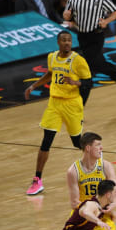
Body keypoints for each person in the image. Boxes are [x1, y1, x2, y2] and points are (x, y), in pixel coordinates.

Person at [23, 30, 92, 195]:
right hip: (54, 103)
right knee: (46, 140)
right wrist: (34, 86)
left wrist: (76, 82)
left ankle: (96, 163)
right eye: (64, 40)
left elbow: (89, 82)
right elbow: (50, 74)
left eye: (69, 40)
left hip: (72, 104)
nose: (67, 43)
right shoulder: (52, 57)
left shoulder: (78, 61)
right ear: (58, 42)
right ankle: (37, 179)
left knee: (77, 142)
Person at [64, 0, 116, 102]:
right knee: (98, 64)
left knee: (89, 66)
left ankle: (82, 99)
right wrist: (67, 17)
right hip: (82, 37)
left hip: (96, 36)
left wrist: (106, 21)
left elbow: (115, 12)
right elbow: (68, 13)